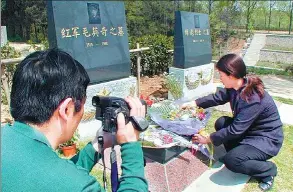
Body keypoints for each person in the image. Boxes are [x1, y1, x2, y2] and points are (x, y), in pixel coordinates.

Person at [1, 48, 148, 192]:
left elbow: (49, 177)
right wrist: (131, 145)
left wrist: (95, 147)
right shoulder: (79, 186)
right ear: (67, 109)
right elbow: (64, 182)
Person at [182, 53, 283, 191]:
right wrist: (194, 103)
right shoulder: (236, 86)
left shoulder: (252, 98)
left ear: (231, 74)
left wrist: (208, 139)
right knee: (221, 122)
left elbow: (235, 130)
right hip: (249, 131)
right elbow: (217, 97)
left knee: (232, 161)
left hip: (265, 139)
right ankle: (238, 153)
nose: (220, 78)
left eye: (221, 75)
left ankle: (268, 171)